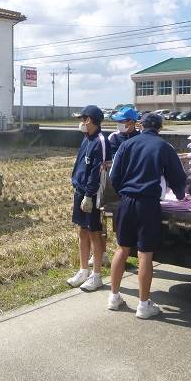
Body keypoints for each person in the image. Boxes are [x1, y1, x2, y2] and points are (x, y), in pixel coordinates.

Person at [107, 112, 186, 319]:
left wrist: (123, 192)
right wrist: (179, 195)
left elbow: (113, 175)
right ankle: (143, 305)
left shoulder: (127, 145)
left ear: (141, 125)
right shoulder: (164, 147)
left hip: (126, 201)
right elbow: (176, 176)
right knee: (144, 254)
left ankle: (114, 297)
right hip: (148, 204)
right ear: (159, 128)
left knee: (122, 249)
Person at [66, 105, 111, 292]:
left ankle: (97, 275)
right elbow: (81, 164)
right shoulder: (86, 139)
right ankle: (83, 270)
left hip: (91, 195)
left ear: (89, 120)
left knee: (94, 232)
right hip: (80, 191)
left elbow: (97, 171)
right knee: (82, 231)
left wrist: (89, 195)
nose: (81, 123)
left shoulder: (100, 141)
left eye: (82, 119)